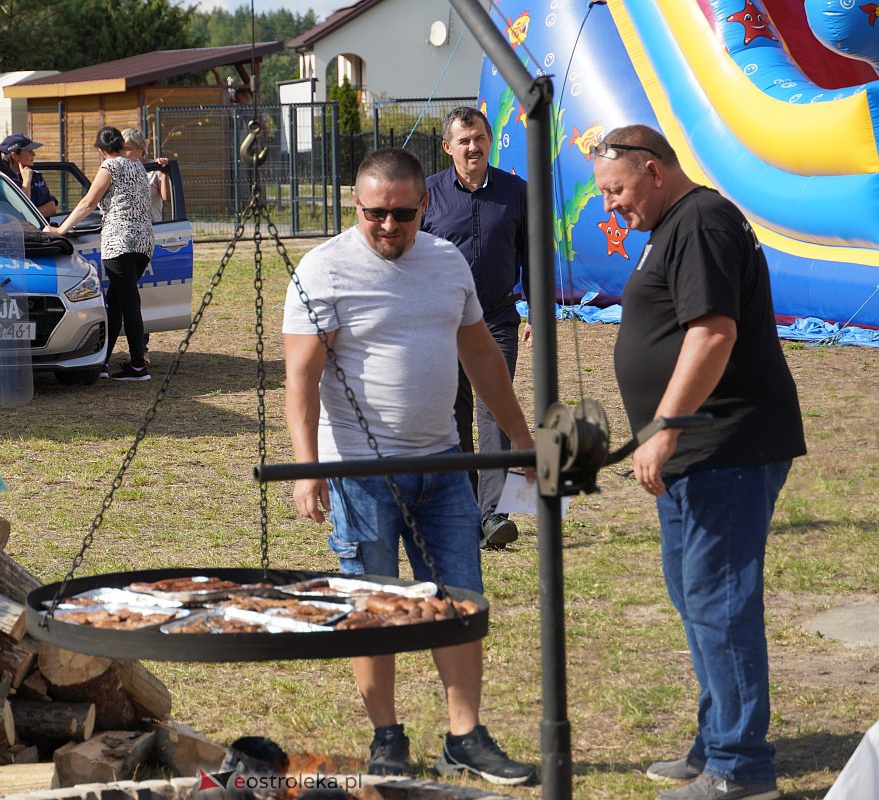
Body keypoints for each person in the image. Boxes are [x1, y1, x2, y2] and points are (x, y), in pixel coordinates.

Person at [283, 147, 537, 787]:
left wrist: (520, 436)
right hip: (361, 474)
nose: (389, 226)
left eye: (403, 213)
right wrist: (308, 468)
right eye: (376, 214)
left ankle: (465, 736)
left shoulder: (447, 262)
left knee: (458, 602)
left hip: (444, 465)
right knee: (372, 606)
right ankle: (387, 737)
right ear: (355, 205)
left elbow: (481, 356)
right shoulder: (324, 270)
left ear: (426, 205)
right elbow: (301, 378)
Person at [593, 125, 805, 800]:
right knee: (696, 597)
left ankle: (740, 770)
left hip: (726, 445)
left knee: (720, 602)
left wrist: (665, 426)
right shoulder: (672, 224)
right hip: (696, 454)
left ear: (653, 171)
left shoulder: (702, 221)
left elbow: (713, 333)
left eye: (616, 190)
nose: (610, 206)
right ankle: (717, 742)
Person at [421, 106, 529, 550]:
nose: (473, 147)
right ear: (447, 147)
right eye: (463, 140)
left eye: (479, 138)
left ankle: (494, 514)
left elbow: (533, 253)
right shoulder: (428, 194)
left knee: (495, 410)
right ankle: (466, 510)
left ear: (490, 141)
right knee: (454, 414)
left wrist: (536, 311)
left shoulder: (516, 192)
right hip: (442, 322)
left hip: (497, 318)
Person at [47, 126, 153, 381]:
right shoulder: (138, 166)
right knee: (116, 302)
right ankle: (102, 361)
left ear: (100, 149)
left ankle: (138, 366)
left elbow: (88, 203)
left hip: (119, 243)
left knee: (128, 304)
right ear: (121, 144)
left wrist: (60, 229)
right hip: (144, 242)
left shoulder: (109, 167)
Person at [0, 133, 58, 217]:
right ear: (15, 156)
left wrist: (30, 216)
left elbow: (52, 208)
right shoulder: (4, 181)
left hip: (39, 225)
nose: (34, 154)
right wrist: (26, 182)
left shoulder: (35, 176)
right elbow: (22, 210)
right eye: (29, 151)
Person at [121, 127, 170, 223]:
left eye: (127, 149)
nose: (123, 153)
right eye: (121, 149)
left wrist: (163, 171)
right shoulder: (119, 170)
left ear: (141, 148)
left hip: (152, 226)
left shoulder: (154, 169)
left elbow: (166, 197)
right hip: (127, 227)